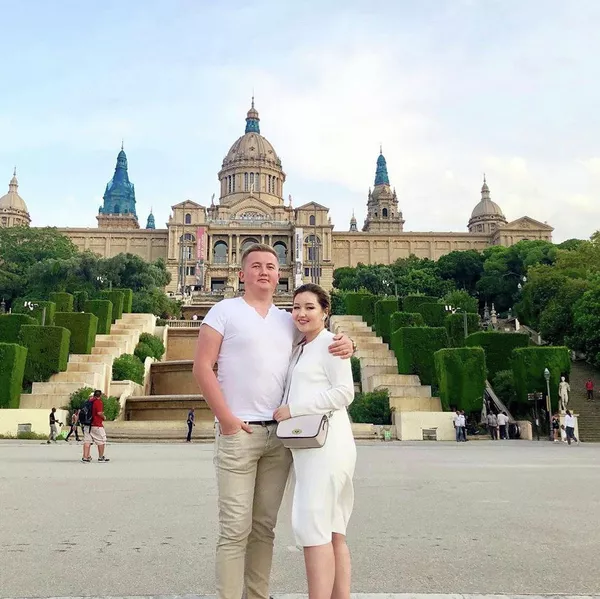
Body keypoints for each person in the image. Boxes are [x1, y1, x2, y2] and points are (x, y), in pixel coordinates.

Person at [192, 243, 354, 599]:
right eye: (256, 266)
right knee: (235, 530)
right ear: (241, 273)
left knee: (264, 528)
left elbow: (320, 339)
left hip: (280, 438)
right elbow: (202, 367)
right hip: (239, 432)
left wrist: (348, 342)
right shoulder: (223, 310)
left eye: (270, 265)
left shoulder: (287, 320)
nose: (264, 271)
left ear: (279, 274)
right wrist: (227, 420)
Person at [273, 284, 355, 599]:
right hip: (314, 446)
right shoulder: (302, 347)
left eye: (309, 307)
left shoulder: (331, 344)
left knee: (313, 527)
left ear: (325, 311)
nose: (301, 313)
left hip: (326, 446)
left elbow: (344, 392)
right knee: (333, 531)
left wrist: (294, 409)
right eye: (296, 307)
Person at [82, 390, 110, 463]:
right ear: (100, 395)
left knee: (87, 441)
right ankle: (101, 457)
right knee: (101, 441)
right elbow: (99, 413)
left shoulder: (89, 401)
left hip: (87, 424)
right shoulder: (98, 402)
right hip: (96, 424)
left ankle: (85, 457)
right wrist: (104, 417)